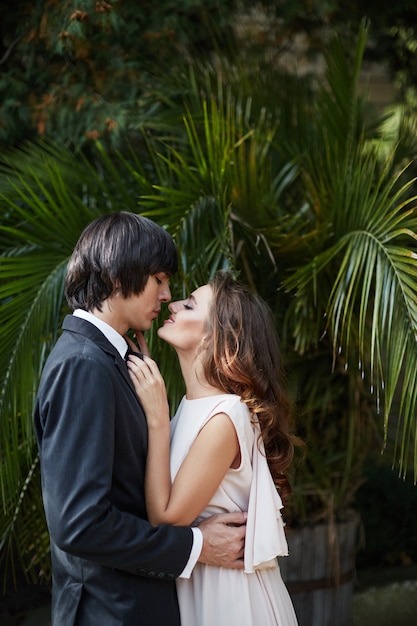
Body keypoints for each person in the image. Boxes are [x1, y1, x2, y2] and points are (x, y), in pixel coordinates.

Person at [34, 213, 247, 626]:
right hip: (109, 611)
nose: (167, 294)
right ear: (118, 277)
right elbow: (80, 524)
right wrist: (196, 546)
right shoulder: (83, 365)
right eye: (159, 279)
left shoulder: (113, 361)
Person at [127, 270, 300, 626]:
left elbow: (166, 517)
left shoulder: (227, 415)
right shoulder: (190, 410)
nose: (172, 303)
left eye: (189, 305)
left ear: (216, 337)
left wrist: (156, 416)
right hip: (200, 587)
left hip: (232, 600)